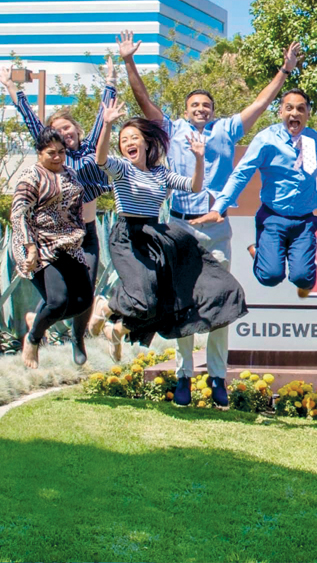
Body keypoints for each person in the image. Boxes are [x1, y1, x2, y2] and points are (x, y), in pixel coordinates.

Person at [118, 30, 300, 406]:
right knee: (183, 302)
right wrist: (129, 61)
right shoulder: (172, 130)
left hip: (216, 226)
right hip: (180, 227)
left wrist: (284, 70)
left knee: (220, 302)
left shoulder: (226, 130)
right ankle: (184, 375)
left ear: (213, 111)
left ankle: (218, 377)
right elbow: (144, 100)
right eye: (195, 105)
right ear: (186, 111)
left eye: (206, 105)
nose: (201, 109)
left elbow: (260, 104)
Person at [94, 97, 247, 406]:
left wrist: (199, 158)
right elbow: (100, 160)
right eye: (124, 141)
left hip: (155, 235)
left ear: (148, 143)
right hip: (128, 234)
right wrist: (108, 124)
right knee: (156, 298)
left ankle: (116, 321)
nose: (129, 143)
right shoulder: (122, 168)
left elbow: (193, 187)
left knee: (161, 298)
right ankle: (181, 374)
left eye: (134, 138)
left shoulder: (161, 174)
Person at [192, 89, 317, 298]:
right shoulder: (267, 140)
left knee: (303, 277)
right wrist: (218, 208)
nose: (294, 113)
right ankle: (259, 252)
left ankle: (298, 268)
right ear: (280, 113)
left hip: (304, 221)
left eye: (300, 109)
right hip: (272, 217)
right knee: (270, 276)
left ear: (308, 114)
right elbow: (241, 174)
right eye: (289, 108)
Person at [2, 58, 117, 352]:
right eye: (57, 131)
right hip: (57, 236)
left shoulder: (91, 149)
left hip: (87, 234)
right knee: (59, 297)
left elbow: (103, 119)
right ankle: (38, 325)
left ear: (76, 130)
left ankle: (78, 340)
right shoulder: (55, 159)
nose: (64, 134)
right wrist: (13, 89)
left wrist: (111, 81)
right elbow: (30, 120)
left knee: (85, 295)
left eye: (67, 128)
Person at [9, 129, 94, 368]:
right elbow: (18, 215)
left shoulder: (71, 174)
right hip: (39, 244)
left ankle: (38, 319)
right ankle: (33, 338)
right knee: (58, 301)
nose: (57, 157)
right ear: (39, 153)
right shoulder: (31, 176)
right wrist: (30, 247)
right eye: (51, 153)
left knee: (83, 300)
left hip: (68, 243)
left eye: (61, 152)